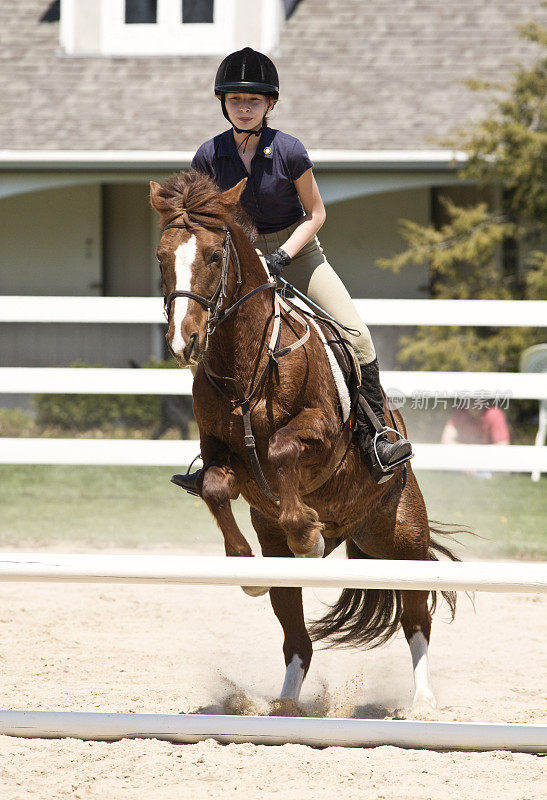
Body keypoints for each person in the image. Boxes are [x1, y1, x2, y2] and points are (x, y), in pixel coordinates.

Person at [175, 47, 412, 492]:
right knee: (200, 343)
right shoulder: (208, 155)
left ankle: (378, 433)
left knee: (358, 336)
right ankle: (213, 451)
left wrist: (283, 254)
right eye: (235, 101)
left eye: (254, 101)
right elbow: (200, 221)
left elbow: (316, 212)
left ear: (270, 104)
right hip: (236, 259)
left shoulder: (288, 150)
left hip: (297, 251)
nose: (244, 108)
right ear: (223, 103)